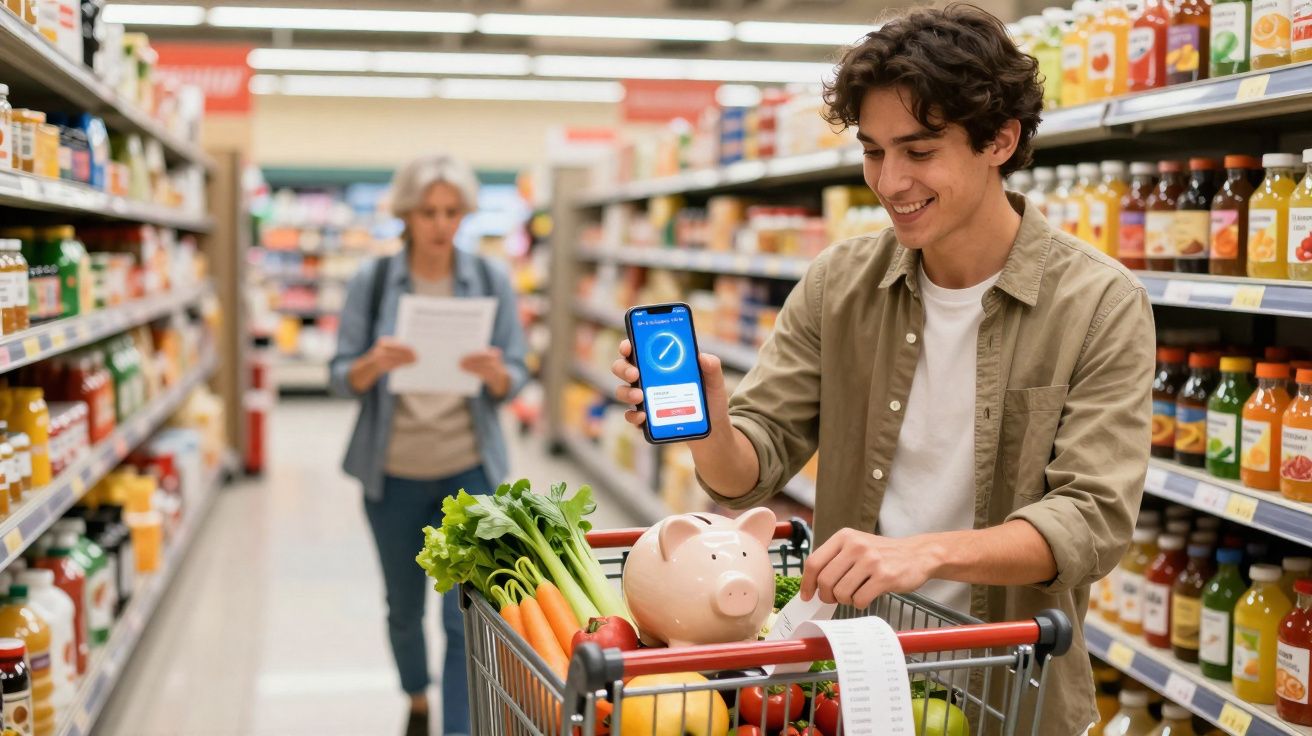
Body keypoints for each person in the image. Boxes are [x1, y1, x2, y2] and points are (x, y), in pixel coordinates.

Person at [610, 6, 1153, 734]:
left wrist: (920, 555)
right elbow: (746, 476)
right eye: (873, 151)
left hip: (1010, 687)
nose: (890, 181)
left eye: (919, 151)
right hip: (849, 682)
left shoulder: (1099, 303)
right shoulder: (840, 283)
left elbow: (1090, 522)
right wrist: (709, 420)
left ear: (999, 140)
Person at [330, 154, 529, 736]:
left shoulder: (490, 279)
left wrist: (496, 374)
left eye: (452, 211)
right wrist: (373, 363)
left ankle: (457, 726)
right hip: (391, 473)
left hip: (468, 471)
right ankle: (416, 696)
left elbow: (517, 377)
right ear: (406, 215)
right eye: (428, 212)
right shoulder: (373, 282)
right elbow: (339, 377)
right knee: (403, 608)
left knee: (463, 615)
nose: (441, 224)